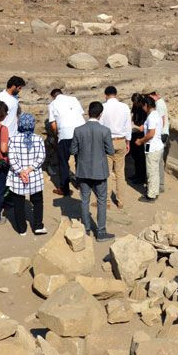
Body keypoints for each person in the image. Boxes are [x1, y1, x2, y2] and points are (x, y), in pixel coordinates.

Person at [70, 101, 115, 242]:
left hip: (83, 170)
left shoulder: (78, 130)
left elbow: (73, 150)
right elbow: (110, 151)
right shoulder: (105, 131)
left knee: (84, 200)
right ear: (100, 114)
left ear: (88, 112)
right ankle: (101, 232)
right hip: (100, 171)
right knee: (102, 201)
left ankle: (86, 230)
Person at [6, 113, 47, 236]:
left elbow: (11, 158)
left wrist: (21, 171)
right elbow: (42, 156)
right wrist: (30, 169)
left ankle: (21, 229)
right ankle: (38, 226)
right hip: (34, 175)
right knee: (37, 201)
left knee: (18, 202)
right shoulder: (38, 139)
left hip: (18, 177)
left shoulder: (13, 139)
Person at [47, 88, 85, 196]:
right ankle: (82, 185)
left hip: (65, 134)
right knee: (80, 160)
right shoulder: (74, 99)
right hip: (81, 132)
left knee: (63, 162)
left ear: (53, 96)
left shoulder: (53, 104)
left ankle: (64, 189)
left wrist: (56, 136)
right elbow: (80, 115)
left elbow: (54, 125)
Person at [98, 86, 131, 208]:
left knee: (106, 173)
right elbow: (128, 126)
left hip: (107, 141)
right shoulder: (124, 107)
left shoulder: (103, 107)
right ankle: (120, 200)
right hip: (121, 140)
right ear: (116, 94)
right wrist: (128, 141)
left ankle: (106, 201)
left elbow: (100, 126)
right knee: (120, 173)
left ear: (106, 95)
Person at [136, 96, 163, 202]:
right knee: (155, 172)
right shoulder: (156, 114)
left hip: (152, 147)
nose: (143, 108)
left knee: (151, 172)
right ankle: (154, 192)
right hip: (157, 146)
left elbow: (151, 134)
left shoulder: (151, 117)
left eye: (143, 106)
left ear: (146, 105)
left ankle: (151, 195)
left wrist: (141, 141)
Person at [143, 88, 170, 192]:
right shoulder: (158, 102)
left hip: (161, 135)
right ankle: (156, 184)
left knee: (156, 162)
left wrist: (153, 134)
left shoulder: (159, 104)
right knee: (156, 162)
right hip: (159, 135)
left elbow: (161, 121)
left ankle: (159, 185)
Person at [129, 93, 148, 185]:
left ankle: (141, 177)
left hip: (142, 135)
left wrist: (138, 126)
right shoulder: (135, 107)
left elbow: (146, 124)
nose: (135, 105)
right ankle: (137, 174)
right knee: (135, 156)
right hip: (134, 133)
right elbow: (133, 116)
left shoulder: (144, 108)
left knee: (141, 157)